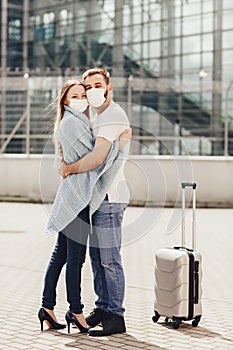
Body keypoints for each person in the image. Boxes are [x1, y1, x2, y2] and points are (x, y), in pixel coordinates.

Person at [39, 77, 130, 334]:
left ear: (108, 87)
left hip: (78, 197)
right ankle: (76, 312)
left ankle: (47, 308)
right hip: (78, 199)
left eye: (85, 92)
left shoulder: (87, 119)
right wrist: (120, 145)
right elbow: (96, 159)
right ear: (65, 101)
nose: (83, 98)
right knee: (75, 259)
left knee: (64, 256)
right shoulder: (73, 124)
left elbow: (91, 156)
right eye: (77, 95)